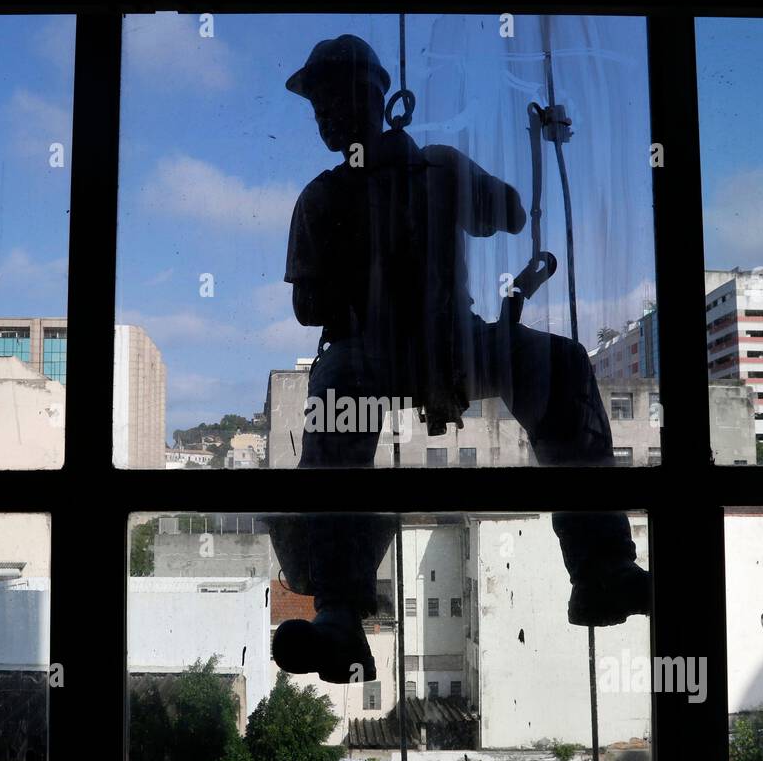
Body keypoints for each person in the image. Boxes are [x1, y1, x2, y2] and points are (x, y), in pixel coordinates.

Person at [270, 35, 650, 685]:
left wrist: (465, 175)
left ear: (376, 97)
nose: (330, 116)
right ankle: (338, 609)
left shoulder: (434, 170)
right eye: (322, 108)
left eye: (338, 100)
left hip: (455, 343)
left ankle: (600, 566)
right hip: (378, 354)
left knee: (559, 367)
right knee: (337, 393)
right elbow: (310, 307)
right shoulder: (327, 198)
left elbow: (505, 212)